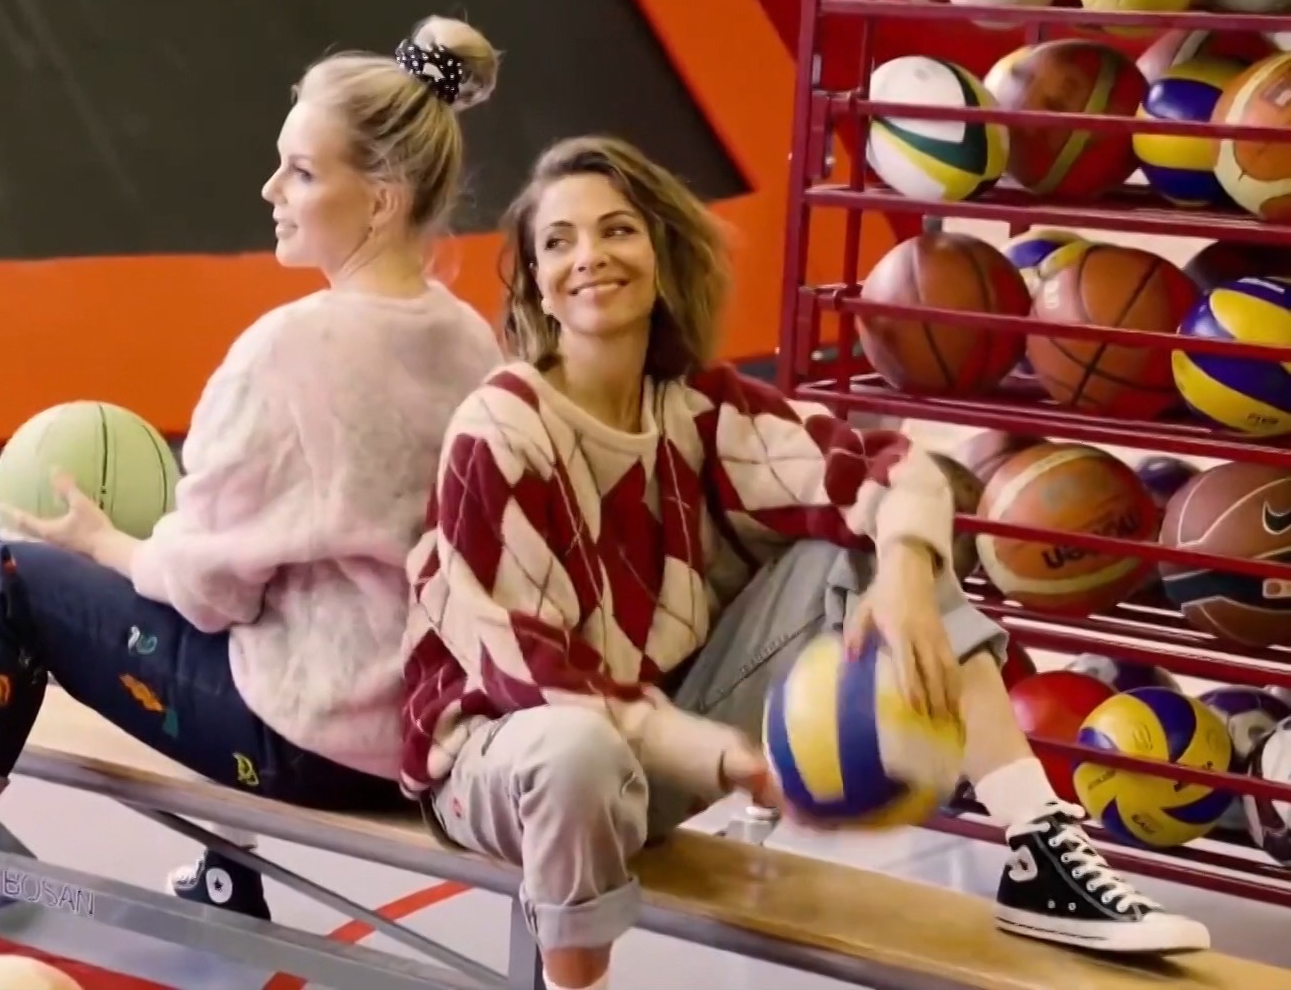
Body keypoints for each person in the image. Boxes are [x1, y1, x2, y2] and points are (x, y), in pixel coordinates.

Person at [0, 16, 507, 973]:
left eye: (300, 173)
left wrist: (104, 543)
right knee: (276, 604)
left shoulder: (289, 352)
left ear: (380, 201)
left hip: (313, 741)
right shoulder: (471, 340)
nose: (271, 191)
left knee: (11, 584)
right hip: (418, 734)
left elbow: (206, 591)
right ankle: (228, 876)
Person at [399, 136, 1210, 990]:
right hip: (501, 763)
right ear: (535, 284)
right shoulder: (501, 429)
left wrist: (903, 576)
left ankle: (1036, 844)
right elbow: (533, 677)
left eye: (618, 230)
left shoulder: (700, 408)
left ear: (661, 254)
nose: (590, 256)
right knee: (576, 749)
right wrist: (721, 757)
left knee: (876, 545)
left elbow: (894, 471)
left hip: (650, 757)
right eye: (558, 242)